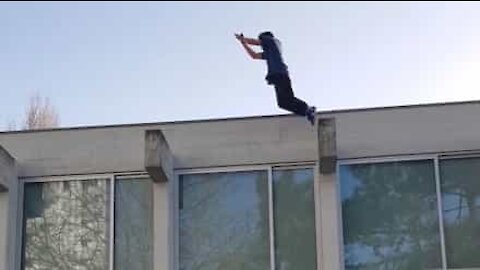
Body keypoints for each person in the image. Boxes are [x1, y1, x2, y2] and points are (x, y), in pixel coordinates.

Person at [235, 31, 316, 125]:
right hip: (278, 77)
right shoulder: (270, 51)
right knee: (282, 103)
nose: (261, 46)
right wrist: (243, 43)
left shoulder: (271, 41)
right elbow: (254, 56)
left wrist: (243, 39)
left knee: (288, 98)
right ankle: (306, 112)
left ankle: (308, 109)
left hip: (280, 74)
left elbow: (256, 42)